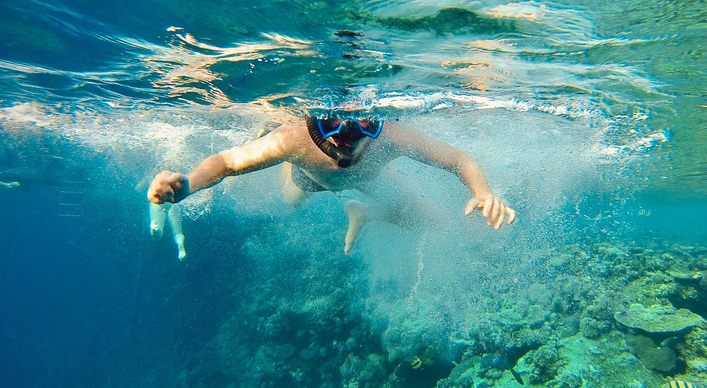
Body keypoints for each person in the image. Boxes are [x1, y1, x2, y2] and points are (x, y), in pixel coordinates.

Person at [147, 115, 517, 257]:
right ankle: (273, 145)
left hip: (372, 179)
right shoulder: (293, 139)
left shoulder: (393, 137)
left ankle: (366, 213)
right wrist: (189, 185)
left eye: (360, 129)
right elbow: (227, 162)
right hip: (307, 177)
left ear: (376, 125)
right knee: (292, 200)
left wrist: (481, 192)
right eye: (328, 126)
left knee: (433, 221)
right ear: (312, 123)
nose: (343, 140)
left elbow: (457, 160)